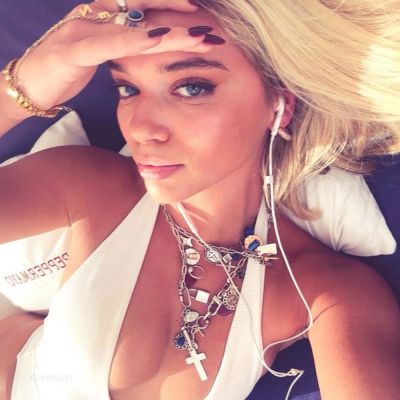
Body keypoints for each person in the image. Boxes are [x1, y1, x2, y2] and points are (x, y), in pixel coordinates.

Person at [0, 0, 399, 399]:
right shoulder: (91, 186)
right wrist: (24, 85)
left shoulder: (324, 291)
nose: (141, 129)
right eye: (128, 89)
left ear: (279, 105)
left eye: (191, 87)